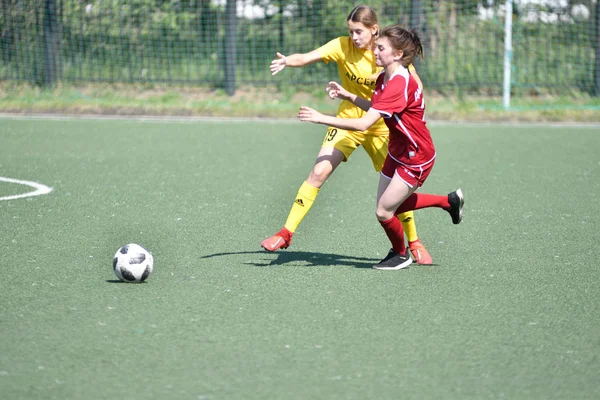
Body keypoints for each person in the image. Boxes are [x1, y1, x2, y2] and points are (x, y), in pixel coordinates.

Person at [261, 5, 433, 264]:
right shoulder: (342, 46)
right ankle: (286, 233)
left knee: (397, 191)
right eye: (350, 31)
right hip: (346, 121)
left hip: (381, 128)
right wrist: (287, 60)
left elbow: (414, 87)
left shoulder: (387, 57)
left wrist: (416, 115)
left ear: (374, 30)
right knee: (318, 172)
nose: (354, 37)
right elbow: (309, 57)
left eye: (359, 32)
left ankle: (414, 241)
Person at [297, 25, 464, 270]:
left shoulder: (398, 83)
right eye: (377, 46)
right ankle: (448, 202)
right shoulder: (384, 77)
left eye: (381, 47)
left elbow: (364, 123)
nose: (375, 50)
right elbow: (375, 108)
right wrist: (348, 96)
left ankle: (400, 255)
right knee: (388, 206)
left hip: (416, 155)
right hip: (397, 151)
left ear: (397, 54)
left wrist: (321, 117)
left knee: (384, 212)